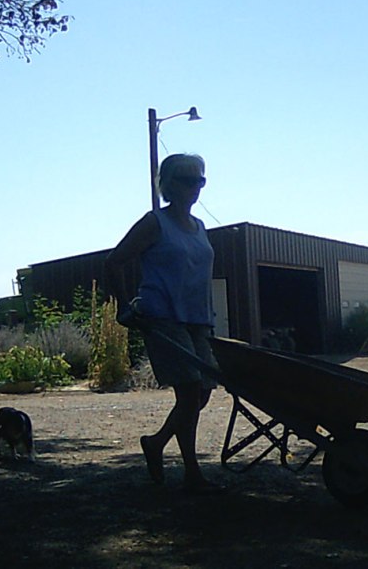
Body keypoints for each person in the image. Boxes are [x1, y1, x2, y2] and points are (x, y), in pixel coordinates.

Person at [104, 153, 224, 495]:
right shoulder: (154, 223)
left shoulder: (200, 227)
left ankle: (156, 443)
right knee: (189, 391)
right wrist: (125, 306)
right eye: (187, 180)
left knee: (202, 391)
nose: (195, 186)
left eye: (200, 180)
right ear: (168, 185)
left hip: (198, 319)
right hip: (163, 317)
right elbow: (114, 261)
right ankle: (191, 472)